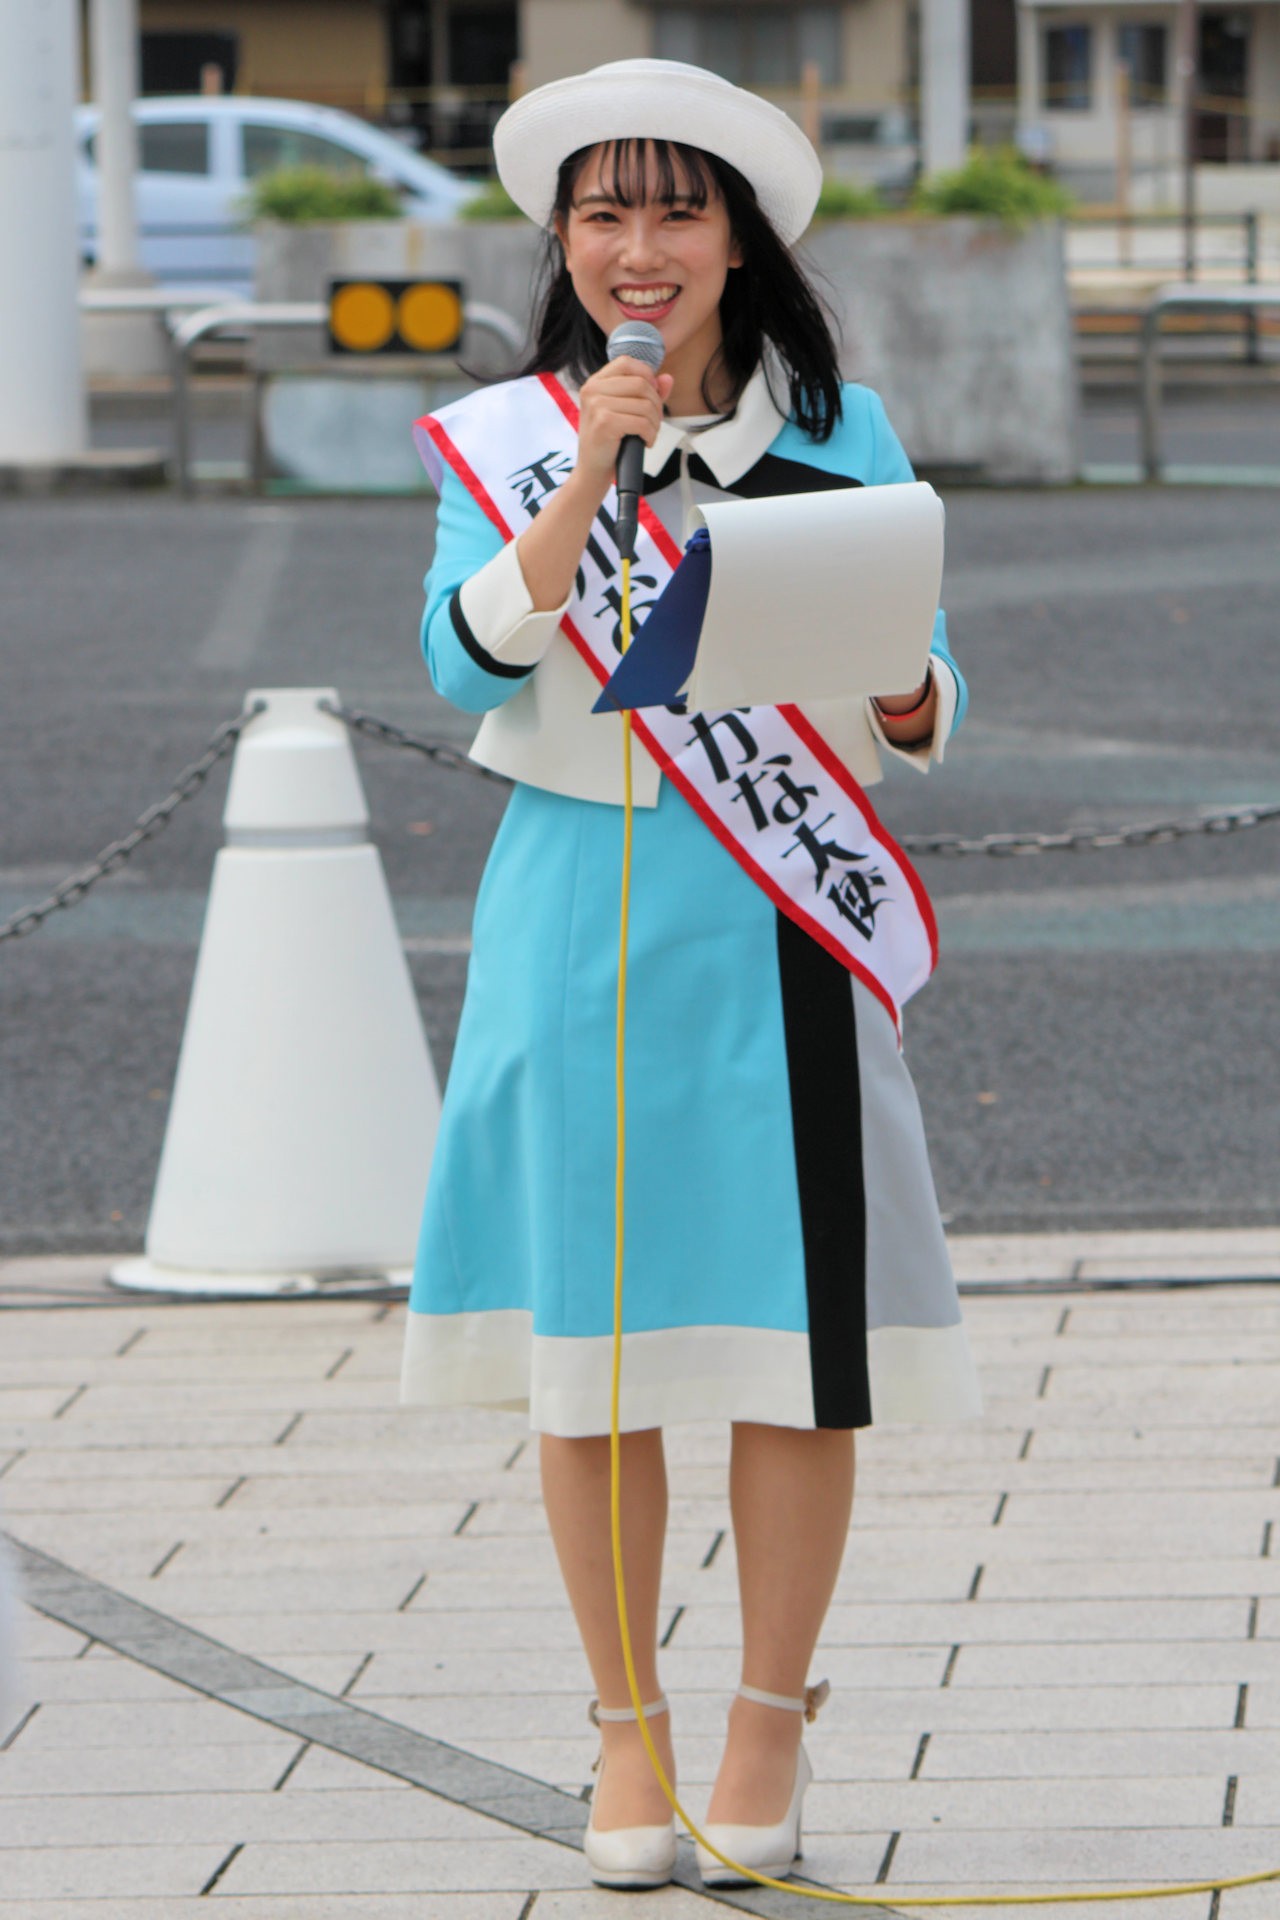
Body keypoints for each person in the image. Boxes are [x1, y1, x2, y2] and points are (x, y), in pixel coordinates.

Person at [401, 58, 981, 1892]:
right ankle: (624, 1735)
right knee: (596, 1360)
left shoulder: (844, 427)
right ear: (562, 244)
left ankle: (768, 1725)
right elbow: (468, 660)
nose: (637, 249)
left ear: (740, 239)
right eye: (603, 213)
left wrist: (899, 689)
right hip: (572, 922)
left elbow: (928, 680)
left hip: (779, 939)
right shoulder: (507, 433)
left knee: (797, 1354)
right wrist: (589, 468)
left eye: (674, 210)